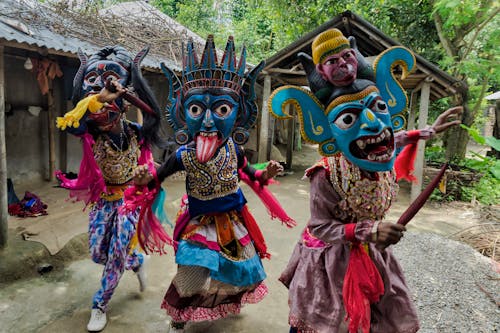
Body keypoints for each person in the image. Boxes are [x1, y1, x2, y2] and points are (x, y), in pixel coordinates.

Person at [269, 29, 462, 333]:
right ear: (329, 132)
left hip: (371, 253)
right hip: (330, 261)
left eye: (378, 108)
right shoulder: (326, 173)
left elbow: (394, 138)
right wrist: (369, 229)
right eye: (349, 119)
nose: (372, 124)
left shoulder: (379, 150)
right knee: (329, 322)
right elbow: (320, 226)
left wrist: (428, 131)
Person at [132, 35, 295, 333]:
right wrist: (146, 179)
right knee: (192, 267)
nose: (207, 121)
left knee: (240, 269)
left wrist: (266, 173)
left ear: (238, 114)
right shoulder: (183, 155)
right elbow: (158, 178)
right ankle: (179, 317)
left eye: (221, 110)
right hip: (199, 222)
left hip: (233, 222)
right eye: (196, 110)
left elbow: (251, 175)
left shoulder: (236, 150)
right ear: (183, 115)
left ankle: (227, 303)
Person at [55, 45, 163, 332]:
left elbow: (154, 116)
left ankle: (99, 305)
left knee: (115, 256)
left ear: (123, 105)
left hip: (130, 201)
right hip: (104, 201)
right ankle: (138, 261)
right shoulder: (89, 132)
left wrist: (127, 91)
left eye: (108, 104)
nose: (102, 110)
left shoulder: (136, 132)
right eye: (97, 104)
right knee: (97, 253)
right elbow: (71, 124)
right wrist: (99, 97)